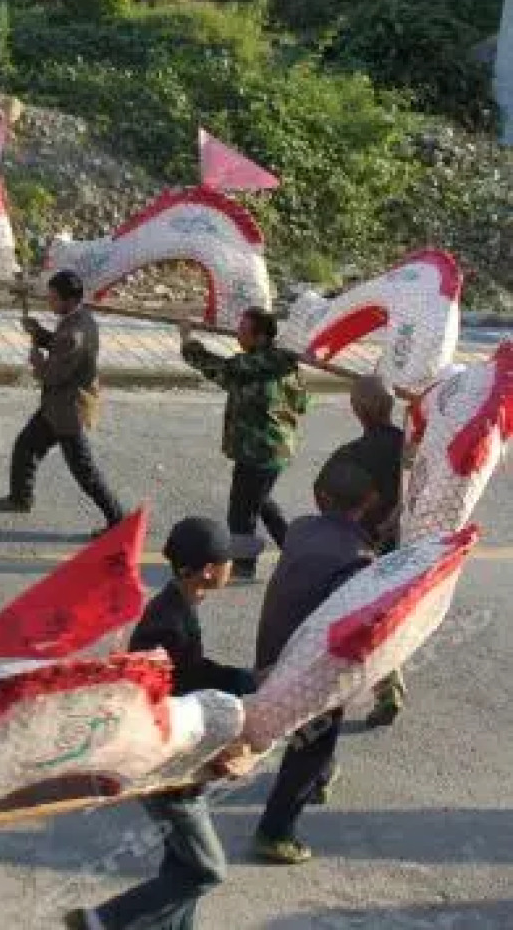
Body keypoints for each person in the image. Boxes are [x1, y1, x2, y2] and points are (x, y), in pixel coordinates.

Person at [66, 517, 257, 930]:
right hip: (168, 764)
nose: (233, 567)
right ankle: (102, 920)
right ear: (209, 570)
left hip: (178, 758)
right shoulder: (168, 624)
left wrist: (241, 679)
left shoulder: (177, 606)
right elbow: (163, 695)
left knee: (182, 869)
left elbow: (194, 671)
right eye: (229, 560)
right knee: (207, 871)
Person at [251, 459, 379, 865]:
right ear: (369, 503)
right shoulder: (357, 558)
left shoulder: (301, 529)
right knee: (312, 743)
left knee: (315, 741)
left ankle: (320, 778)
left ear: (318, 496)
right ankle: (275, 832)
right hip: (309, 668)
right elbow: (348, 625)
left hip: (271, 649)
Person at [0, 270, 125, 536]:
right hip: (58, 407)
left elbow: (54, 374)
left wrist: (37, 362)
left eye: (53, 299)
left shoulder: (74, 332)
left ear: (69, 300)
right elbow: (58, 345)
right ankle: (20, 498)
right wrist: (39, 333)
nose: (49, 303)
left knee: (84, 471)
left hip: (67, 410)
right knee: (26, 446)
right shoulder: (81, 319)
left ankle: (117, 520)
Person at [180, 308, 309, 581]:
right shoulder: (285, 364)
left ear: (260, 337)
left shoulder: (254, 366)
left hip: (259, 451)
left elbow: (219, 368)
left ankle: (243, 565)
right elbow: (302, 403)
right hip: (276, 448)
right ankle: (294, 551)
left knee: (241, 511)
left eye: (243, 330)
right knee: (260, 502)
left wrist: (187, 339)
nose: (238, 334)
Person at [324, 375, 408, 727]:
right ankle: (389, 687)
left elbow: (326, 498)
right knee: (389, 616)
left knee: (358, 619)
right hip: (407, 550)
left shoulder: (350, 457)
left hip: (363, 550)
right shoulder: (413, 447)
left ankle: (353, 689)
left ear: (358, 411)